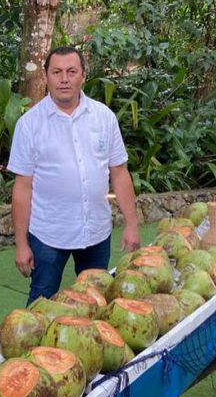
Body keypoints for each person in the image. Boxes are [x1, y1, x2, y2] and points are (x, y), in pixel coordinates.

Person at [8, 45, 140, 304]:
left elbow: (119, 173)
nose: (64, 79)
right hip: (48, 234)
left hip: (96, 232)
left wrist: (132, 224)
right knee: (41, 305)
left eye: (71, 71)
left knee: (95, 302)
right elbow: (22, 187)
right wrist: (21, 244)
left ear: (83, 75)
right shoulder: (29, 125)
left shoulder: (104, 118)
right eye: (57, 72)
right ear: (46, 76)